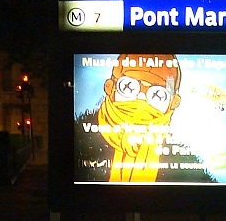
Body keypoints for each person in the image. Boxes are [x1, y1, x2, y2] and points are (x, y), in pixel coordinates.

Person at [75, 55, 214, 184]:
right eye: (128, 87)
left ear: (173, 102)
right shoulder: (78, 135)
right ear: (110, 87)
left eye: (158, 94)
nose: (141, 99)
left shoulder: (183, 158)